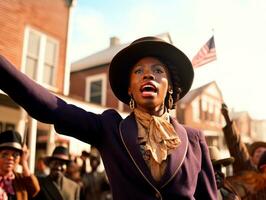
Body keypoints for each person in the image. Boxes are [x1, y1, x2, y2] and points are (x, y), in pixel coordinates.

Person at [0, 36, 217, 199]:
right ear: (130, 89)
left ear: (170, 87)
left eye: (158, 70)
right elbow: (52, 108)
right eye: (138, 71)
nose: (148, 75)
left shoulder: (194, 139)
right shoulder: (109, 128)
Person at [221, 103, 266, 173]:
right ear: (251, 158)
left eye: (264, 152)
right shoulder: (248, 171)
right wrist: (228, 120)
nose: (262, 154)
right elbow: (237, 147)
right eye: (259, 151)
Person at [0, 130, 40, 199]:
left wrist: (24, 162)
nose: (10, 158)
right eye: (5, 154)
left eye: (15, 155)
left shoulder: (20, 179)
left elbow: (34, 190)